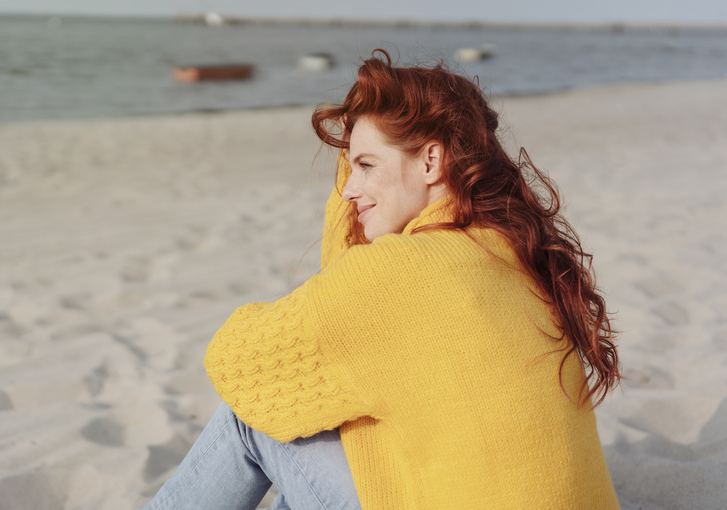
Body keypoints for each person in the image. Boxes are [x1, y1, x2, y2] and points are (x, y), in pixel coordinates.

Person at [141, 49, 622, 509]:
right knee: (335, 412)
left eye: (366, 166)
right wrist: (363, 161)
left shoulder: (401, 271)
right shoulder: (509, 248)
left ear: (431, 162)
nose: (349, 189)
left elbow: (233, 363)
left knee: (254, 414)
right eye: (349, 169)